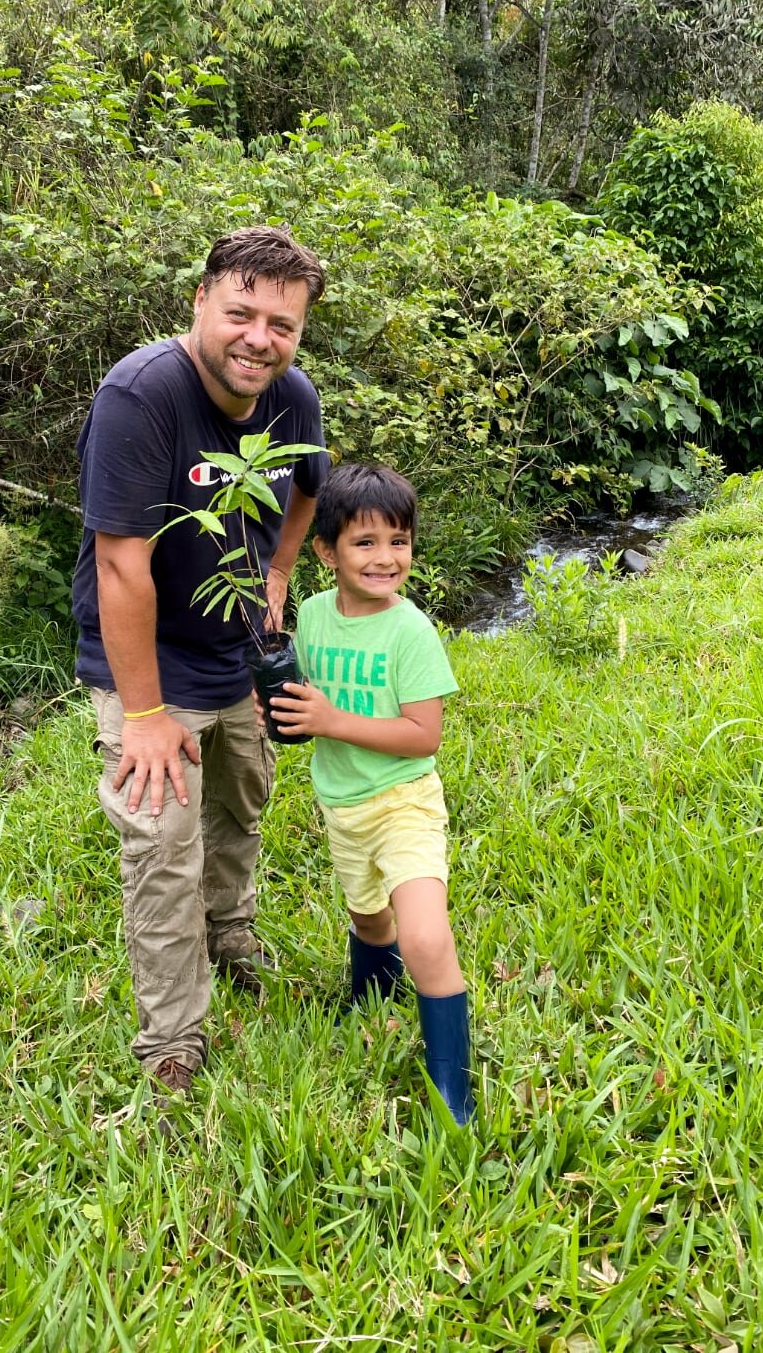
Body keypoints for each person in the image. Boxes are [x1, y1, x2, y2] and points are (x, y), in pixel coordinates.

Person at [72, 226, 329, 1117]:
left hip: (237, 650)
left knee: (239, 801)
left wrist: (281, 574)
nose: (259, 337)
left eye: (282, 324)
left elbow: (306, 487)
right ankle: (173, 1036)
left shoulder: (292, 398)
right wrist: (143, 715)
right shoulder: (141, 395)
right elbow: (120, 566)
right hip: (147, 659)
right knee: (163, 840)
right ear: (200, 302)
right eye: (242, 313)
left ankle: (232, 934)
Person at [266, 463, 475, 1125]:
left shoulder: (409, 631)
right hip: (342, 804)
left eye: (398, 541)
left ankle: (452, 1087)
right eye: (365, 542)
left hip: (403, 802)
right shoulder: (315, 612)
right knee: (367, 919)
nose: (385, 558)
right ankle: (372, 1001)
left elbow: (423, 736)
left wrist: (330, 721)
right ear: (325, 550)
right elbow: (307, 692)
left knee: (424, 936)